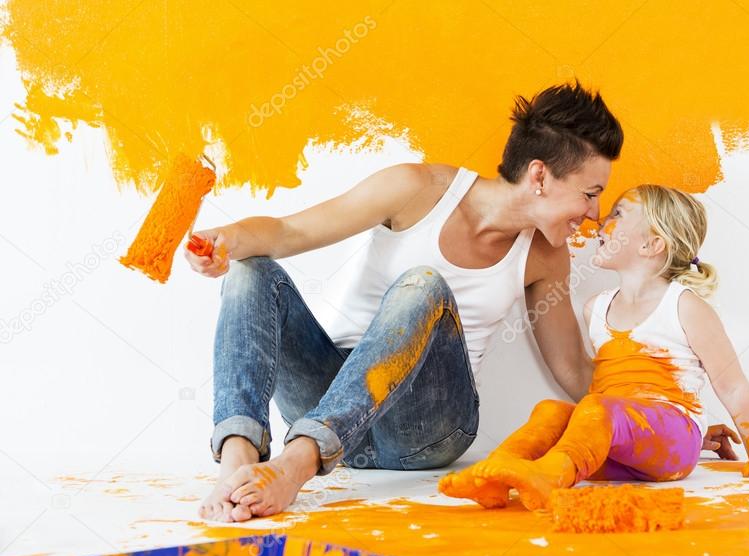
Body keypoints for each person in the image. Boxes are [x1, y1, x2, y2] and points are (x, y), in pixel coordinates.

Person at [189, 82, 625, 522]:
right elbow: (289, 233)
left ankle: (295, 464)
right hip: (329, 403)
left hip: (425, 429)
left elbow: (572, 367)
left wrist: (661, 414)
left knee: (423, 285)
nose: (594, 211)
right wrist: (228, 240)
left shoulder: (546, 255)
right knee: (250, 268)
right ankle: (238, 462)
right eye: (590, 193)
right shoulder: (416, 188)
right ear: (539, 175)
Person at [440, 185, 749, 511]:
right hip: (618, 448)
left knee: (595, 405)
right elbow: (621, 406)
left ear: (651, 245)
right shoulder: (596, 307)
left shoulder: (685, 305)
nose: (600, 223)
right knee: (551, 410)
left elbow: (732, 386)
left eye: (617, 215)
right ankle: (496, 474)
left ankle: (549, 477)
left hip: (673, 439)